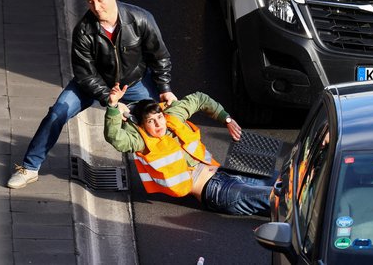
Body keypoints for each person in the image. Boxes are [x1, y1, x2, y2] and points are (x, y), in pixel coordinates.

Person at [8, 0, 177, 189]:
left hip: (134, 83)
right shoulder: (84, 31)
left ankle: (181, 172)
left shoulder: (141, 19)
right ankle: (30, 168)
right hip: (93, 85)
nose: (96, 8)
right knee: (57, 113)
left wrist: (164, 88)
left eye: (100, 0)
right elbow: (84, 74)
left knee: (160, 121)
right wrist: (112, 101)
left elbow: (159, 57)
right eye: (90, 2)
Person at [104, 83, 274, 216]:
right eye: (151, 121)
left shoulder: (173, 115)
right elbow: (116, 139)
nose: (158, 124)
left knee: (287, 179)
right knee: (278, 198)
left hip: (225, 172)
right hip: (216, 191)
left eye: (159, 117)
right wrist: (113, 107)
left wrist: (226, 119)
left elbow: (200, 98)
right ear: (142, 125)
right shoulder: (141, 141)